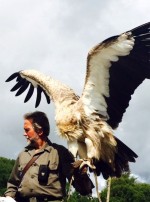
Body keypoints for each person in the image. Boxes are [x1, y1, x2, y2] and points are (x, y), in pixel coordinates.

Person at [4, 111, 94, 202]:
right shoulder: (23, 154)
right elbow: (13, 183)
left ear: (39, 131)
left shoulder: (60, 152)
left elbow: (83, 189)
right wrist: (8, 198)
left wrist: (82, 174)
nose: (24, 133)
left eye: (27, 130)